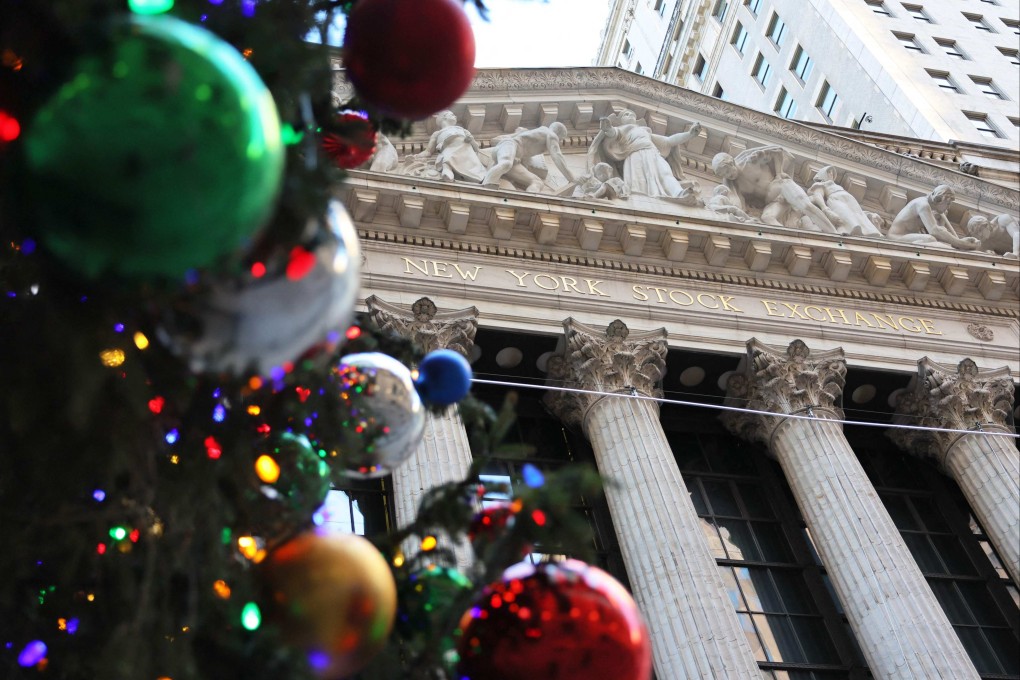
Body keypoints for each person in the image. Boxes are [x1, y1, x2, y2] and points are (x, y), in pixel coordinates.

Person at [711, 146, 838, 233]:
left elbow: (777, 152)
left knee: (807, 207)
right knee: (767, 218)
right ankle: (791, 242)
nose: (729, 175)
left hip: (781, 187)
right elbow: (740, 205)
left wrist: (779, 173)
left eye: (728, 170)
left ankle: (834, 233)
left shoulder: (751, 161)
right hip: (773, 202)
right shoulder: (735, 185)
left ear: (732, 162)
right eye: (725, 174)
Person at [587, 109, 702, 198]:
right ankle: (640, 198)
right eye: (626, 114)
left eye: (632, 114)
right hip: (635, 155)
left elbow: (668, 141)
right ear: (621, 120)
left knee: (666, 173)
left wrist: (689, 134)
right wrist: (608, 128)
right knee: (638, 181)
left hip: (653, 153)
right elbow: (613, 133)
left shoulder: (645, 130)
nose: (630, 115)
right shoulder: (623, 129)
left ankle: (679, 193)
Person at [482, 122, 575, 191]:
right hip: (509, 146)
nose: (557, 141)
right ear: (558, 134)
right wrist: (572, 178)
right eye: (560, 139)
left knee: (537, 182)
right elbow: (557, 156)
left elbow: (494, 141)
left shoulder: (534, 133)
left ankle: (527, 201)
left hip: (515, 159)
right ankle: (486, 186)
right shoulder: (551, 134)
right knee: (506, 163)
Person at [887, 185, 980, 250]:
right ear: (940, 200)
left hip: (908, 236)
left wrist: (957, 242)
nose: (948, 207)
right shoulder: (923, 204)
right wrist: (961, 243)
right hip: (896, 238)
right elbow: (935, 231)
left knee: (935, 240)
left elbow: (940, 230)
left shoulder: (928, 208)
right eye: (948, 203)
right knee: (930, 239)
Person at [807, 166, 883, 237]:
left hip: (850, 200)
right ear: (823, 174)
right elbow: (818, 195)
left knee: (857, 215)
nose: (831, 174)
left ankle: (867, 232)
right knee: (845, 215)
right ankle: (849, 231)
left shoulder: (836, 185)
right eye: (829, 172)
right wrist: (825, 209)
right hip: (836, 200)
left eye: (832, 172)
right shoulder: (821, 184)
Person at [415, 110, 487, 183]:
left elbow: (476, 147)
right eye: (451, 114)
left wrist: (470, 139)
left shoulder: (462, 130)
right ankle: (447, 172)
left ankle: (477, 177)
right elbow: (428, 151)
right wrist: (417, 156)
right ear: (444, 117)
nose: (455, 116)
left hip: (466, 151)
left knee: (474, 167)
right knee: (446, 157)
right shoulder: (437, 134)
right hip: (450, 150)